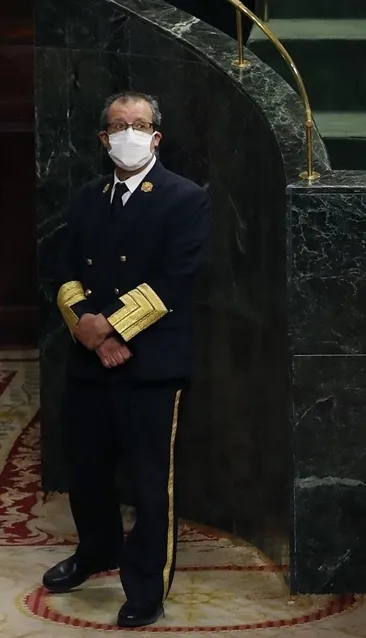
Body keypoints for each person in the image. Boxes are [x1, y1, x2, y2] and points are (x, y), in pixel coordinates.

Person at [42, 91, 211, 628]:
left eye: (139, 125)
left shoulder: (185, 198)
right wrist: (90, 332)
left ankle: (145, 584)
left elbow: (174, 281)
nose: (128, 133)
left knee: (146, 481)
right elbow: (65, 269)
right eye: (118, 125)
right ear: (103, 138)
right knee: (87, 470)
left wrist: (111, 327)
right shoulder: (88, 196)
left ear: (156, 136)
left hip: (152, 364)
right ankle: (96, 551)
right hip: (90, 357)